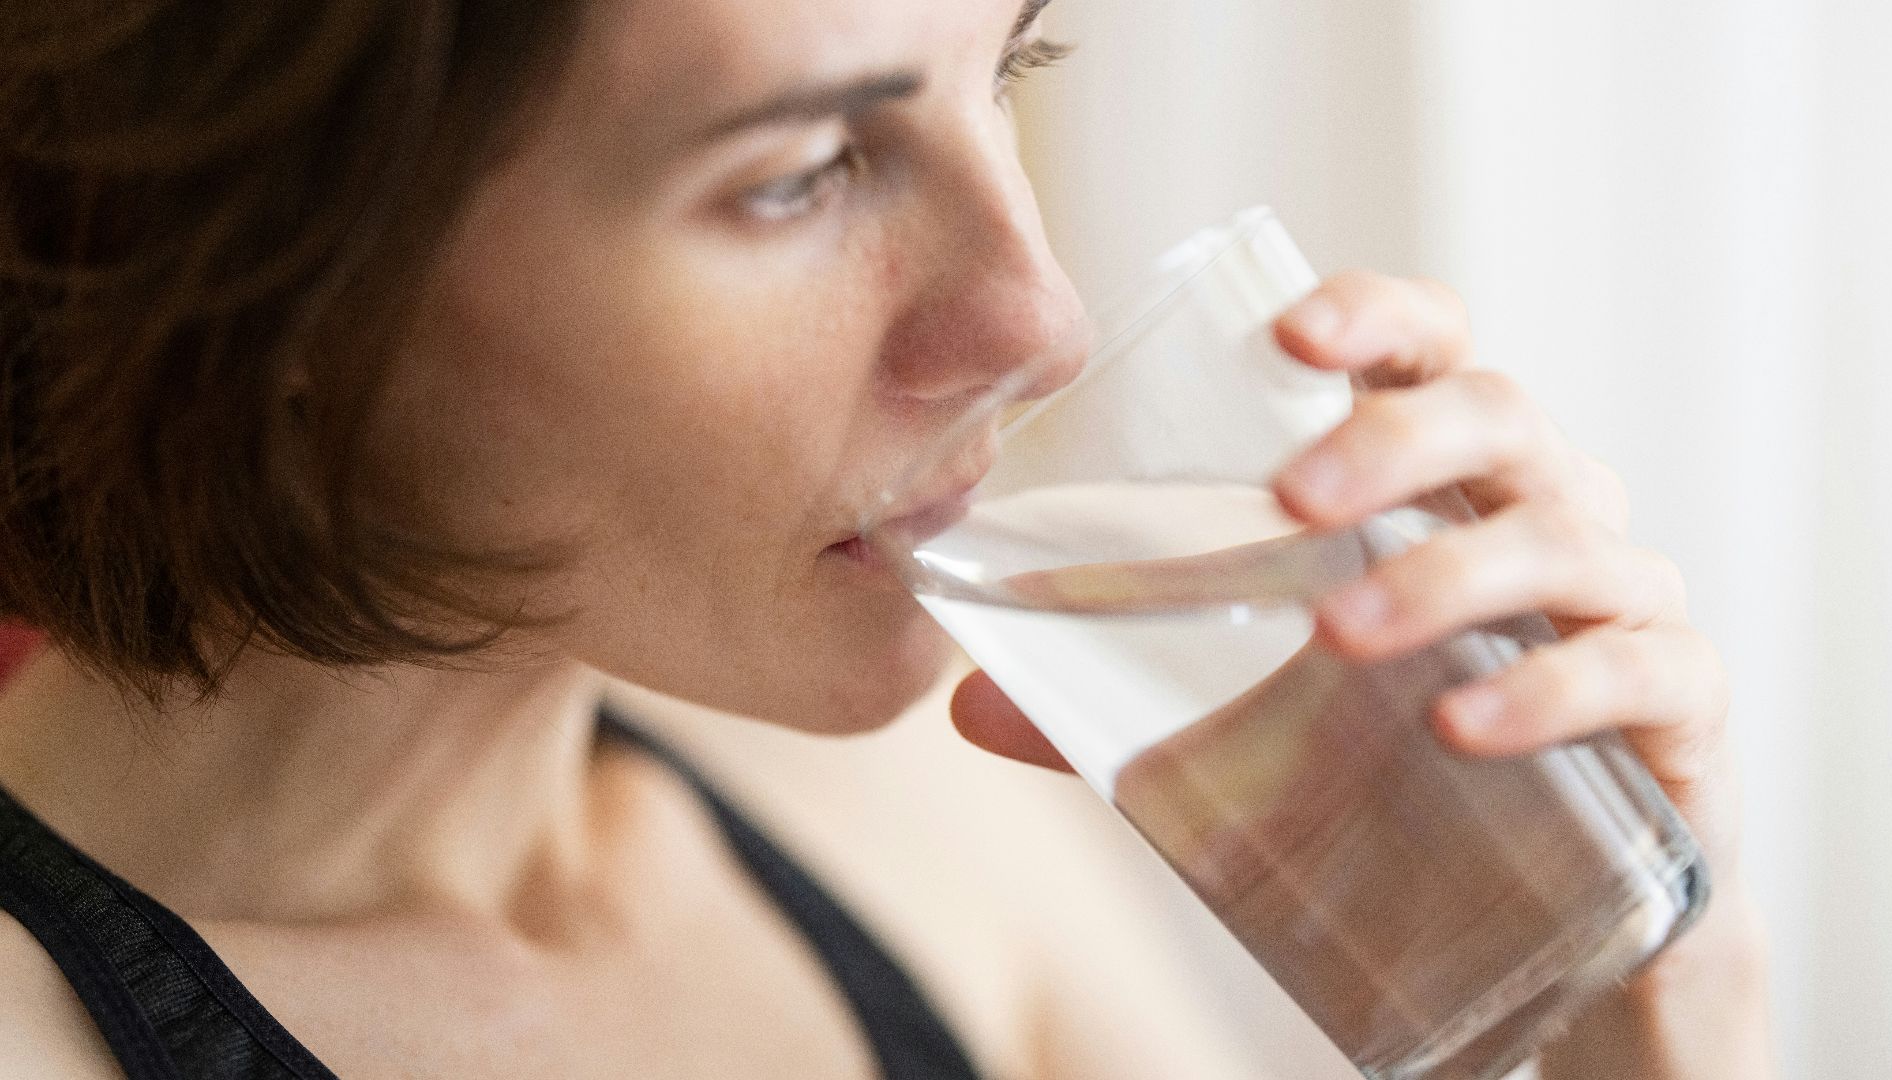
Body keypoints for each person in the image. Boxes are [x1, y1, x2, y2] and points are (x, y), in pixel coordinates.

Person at [0, 0, 1772, 1077]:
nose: (1040, 316)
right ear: (260, 270)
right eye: (799, 172)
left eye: (1005, 68)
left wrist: (1647, 987)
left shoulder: (906, 812)